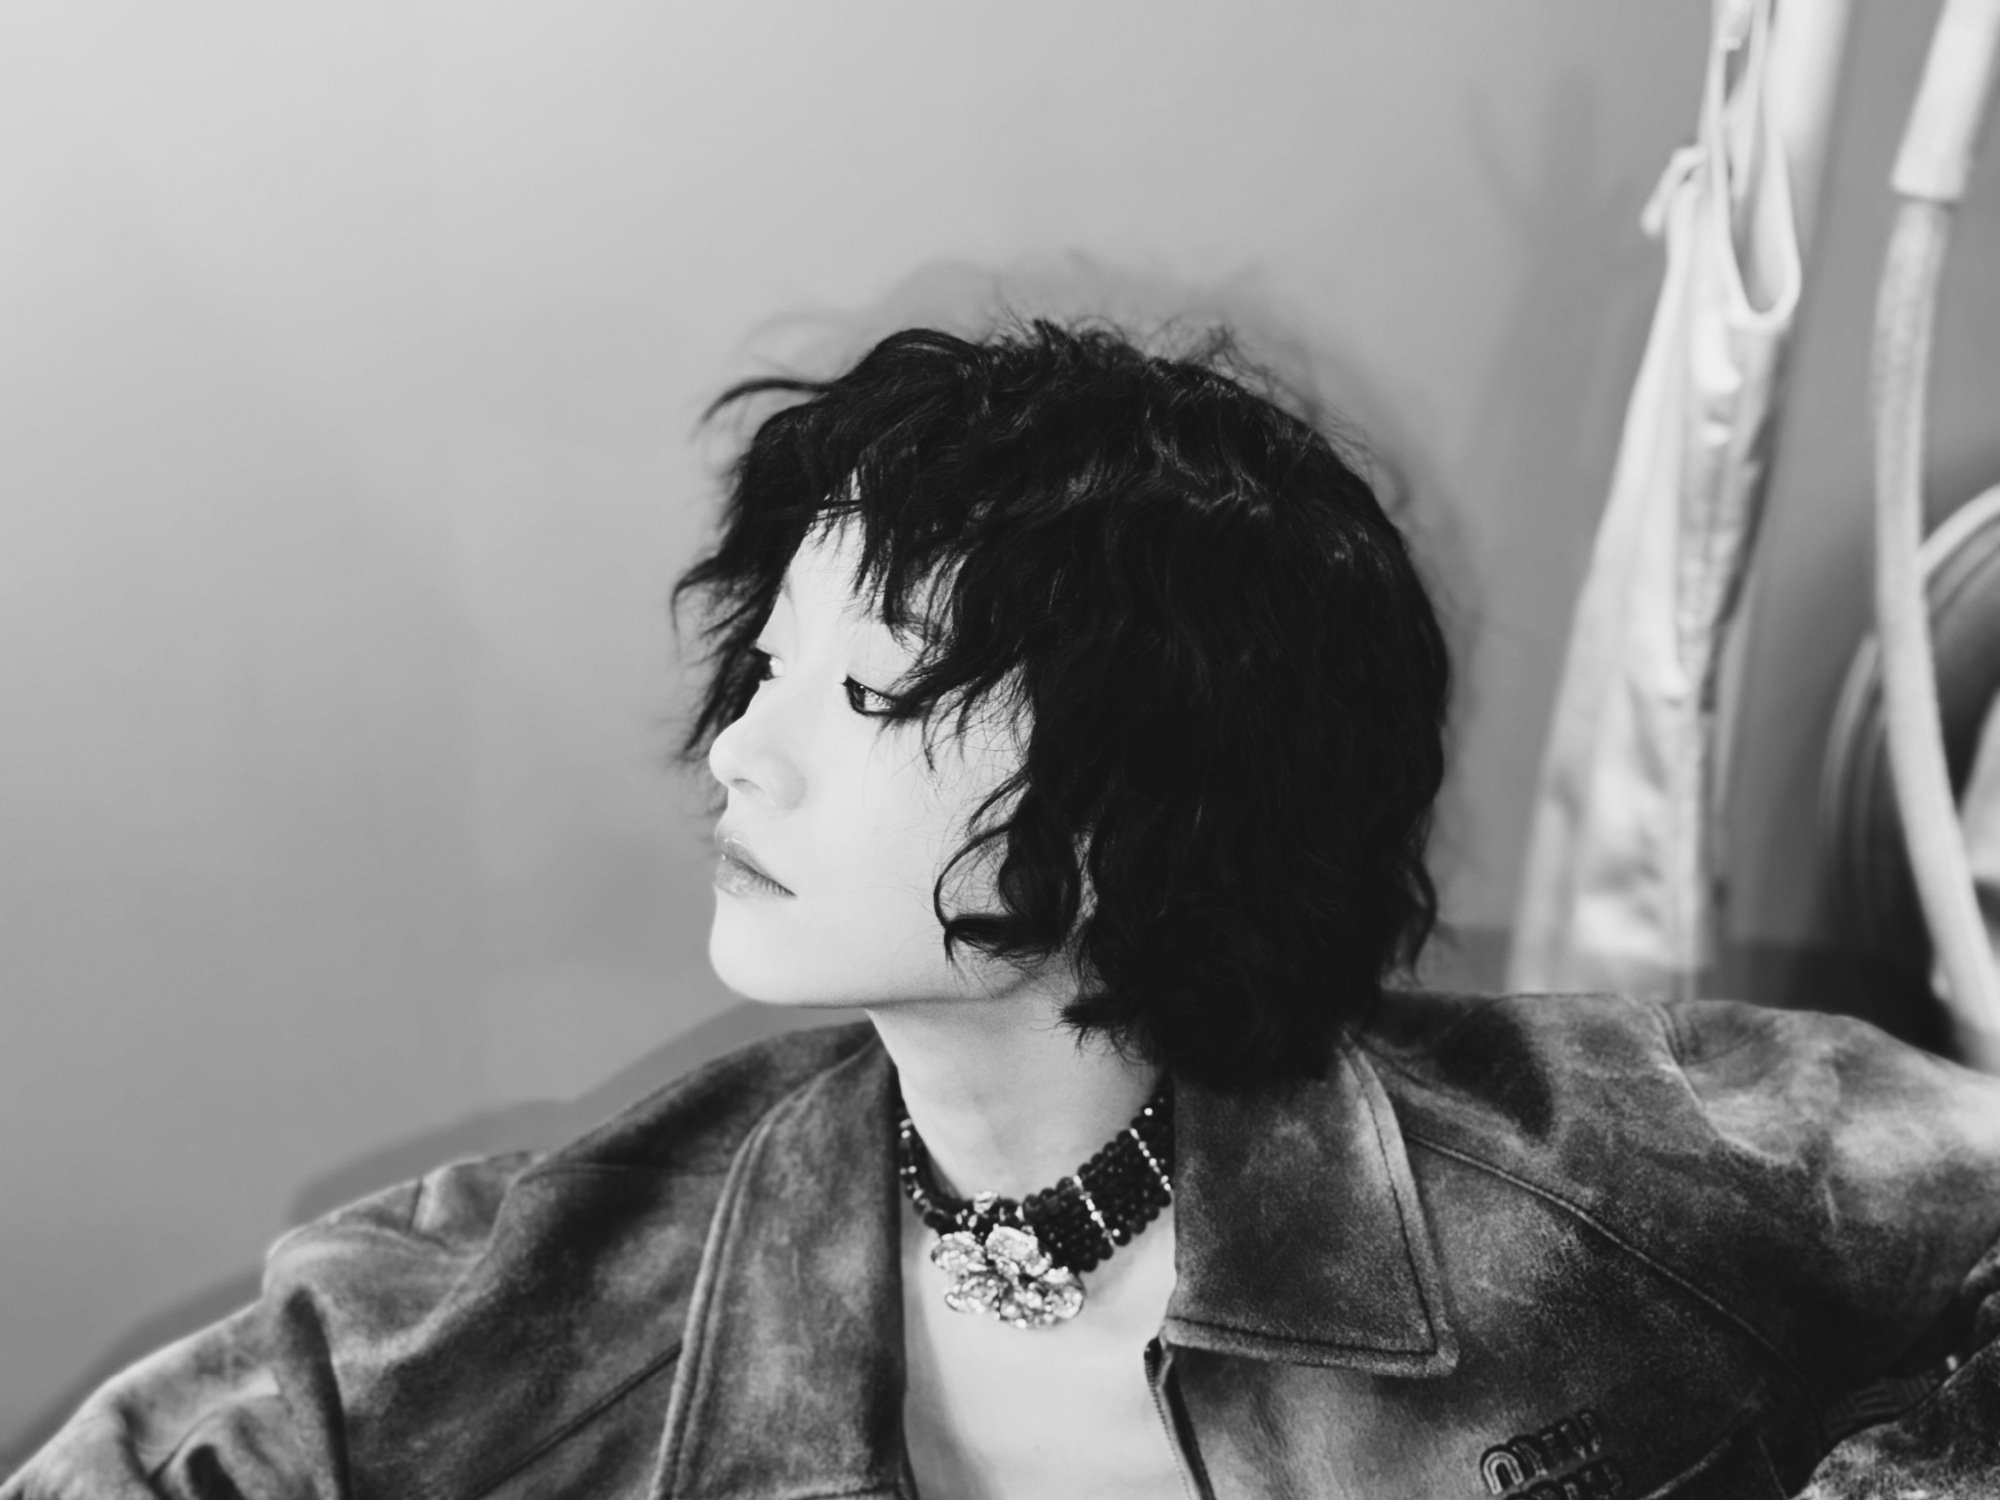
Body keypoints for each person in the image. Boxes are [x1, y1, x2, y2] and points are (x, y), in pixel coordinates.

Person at [7, 321, 1999, 1500]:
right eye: (763, 672)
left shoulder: (1608, 1175)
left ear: (1150, 801)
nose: (742, 757)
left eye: (872, 696)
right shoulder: (558, 1283)